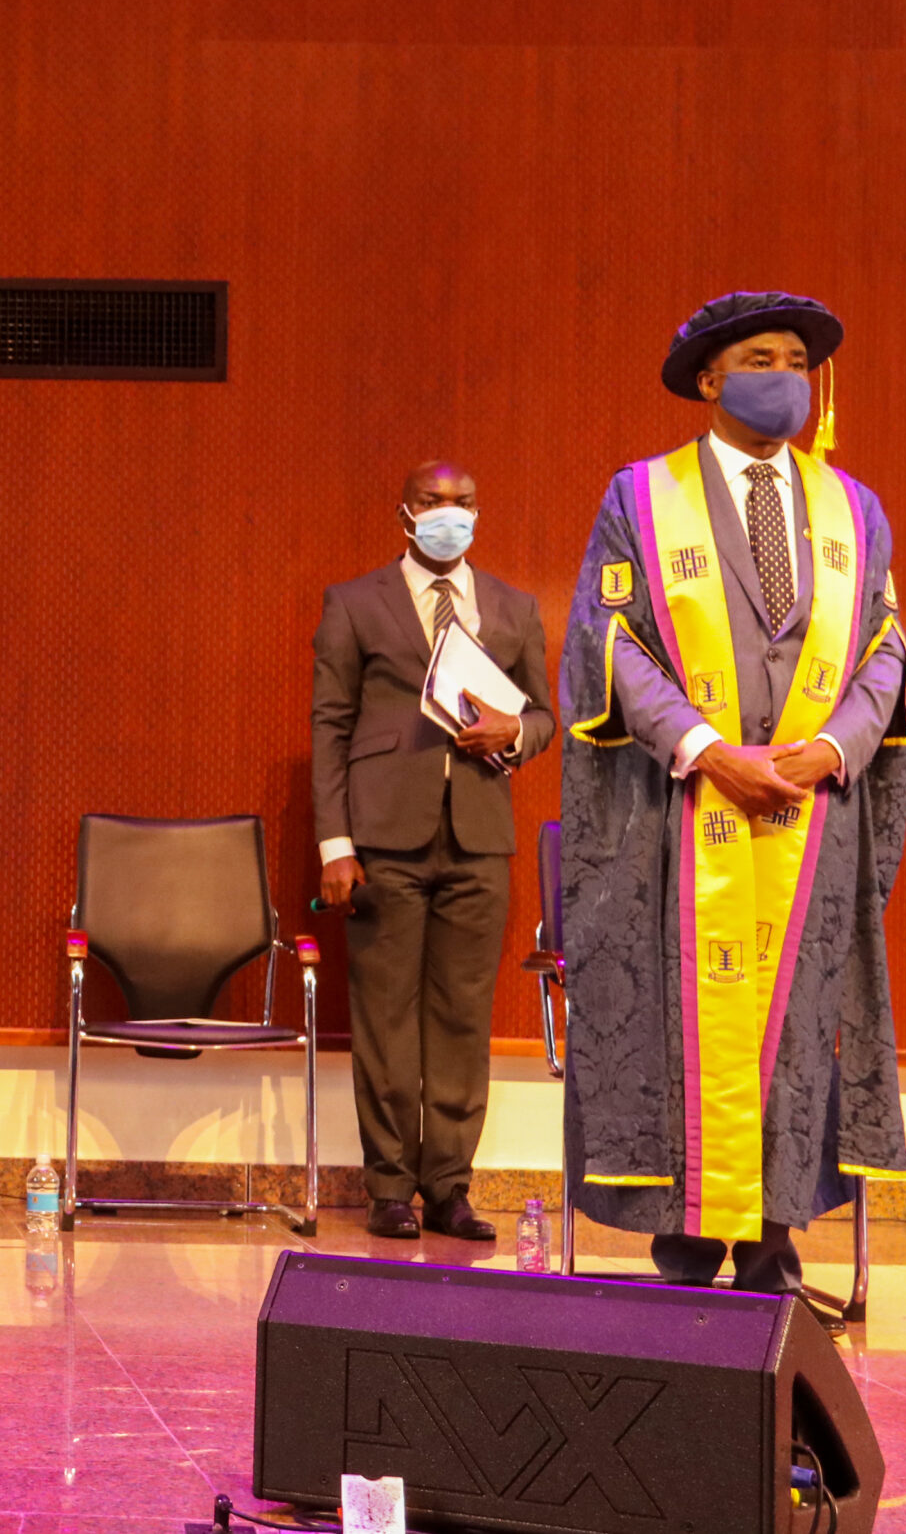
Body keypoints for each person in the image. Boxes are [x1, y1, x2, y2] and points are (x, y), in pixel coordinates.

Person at [559, 291, 906, 1294]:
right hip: (681, 816)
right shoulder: (640, 499)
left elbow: (886, 649)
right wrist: (707, 747)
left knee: (796, 1026)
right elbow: (608, 642)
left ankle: (771, 1253)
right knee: (686, 1022)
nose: (786, 379)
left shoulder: (854, 510)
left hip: (809, 816)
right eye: (762, 359)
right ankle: (684, 1251)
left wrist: (832, 748)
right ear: (710, 378)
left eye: (799, 362)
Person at [312, 462, 556, 1241]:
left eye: (463, 502)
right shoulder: (355, 602)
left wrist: (514, 732)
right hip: (383, 840)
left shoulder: (515, 607)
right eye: (433, 501)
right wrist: (336, 843)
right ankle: (389, 1185)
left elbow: (545, 716)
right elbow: (330, 725)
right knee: (385, 1016)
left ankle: (449, 1186)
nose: (450, 514)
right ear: (405, 513)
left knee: (461, 1017)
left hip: (479, 841)